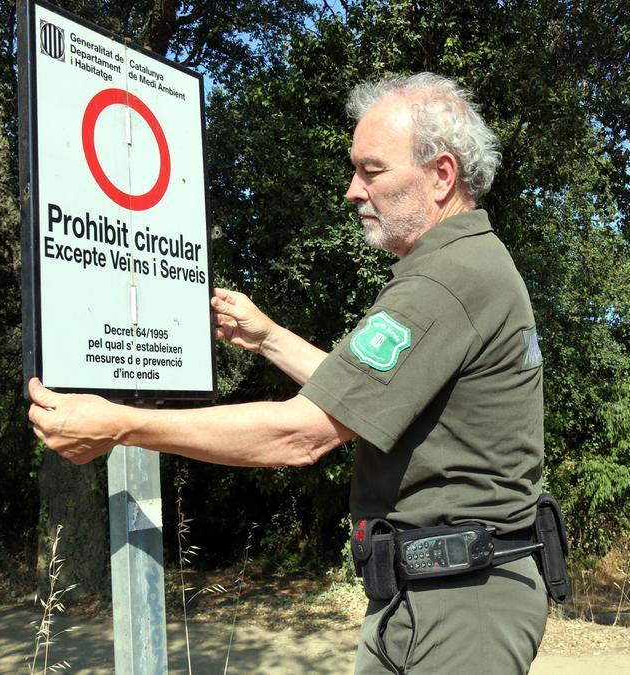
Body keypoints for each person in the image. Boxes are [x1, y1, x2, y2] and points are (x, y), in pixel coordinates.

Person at [28, 72, 549, 674]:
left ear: (441, 175)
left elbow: (301, 436)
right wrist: (268, 338)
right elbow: (363, 396)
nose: (353, 191)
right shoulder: (466, 262)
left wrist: (119, 424)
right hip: (443, 593)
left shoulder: (442, 281)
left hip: (457, 604)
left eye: (372, 171)